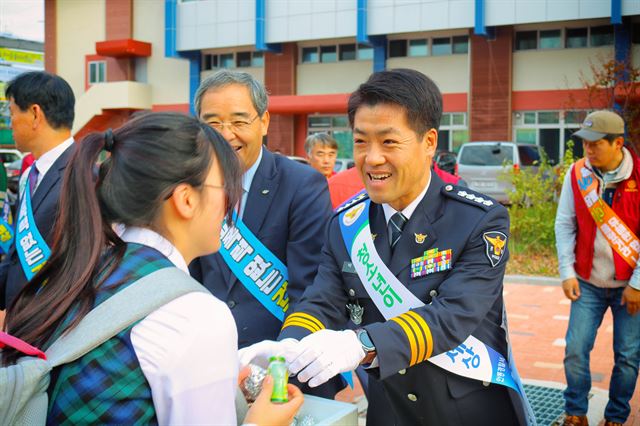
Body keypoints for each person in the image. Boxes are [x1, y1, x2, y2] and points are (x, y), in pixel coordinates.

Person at [241, 69, 533, 426]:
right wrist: (291, 343)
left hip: (465, 411)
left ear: (428, 142)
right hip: (389, 410)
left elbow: (452, 315)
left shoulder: (479, 220)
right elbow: (323, 299)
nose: (372, 158)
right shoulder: (347, 223)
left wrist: (361, 344)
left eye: (389, 142)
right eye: (361, 142)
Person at [2, 112, 303, 424]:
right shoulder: (194, 315)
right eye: (224, 188)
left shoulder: (82, 269)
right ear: (186, 200)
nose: (230, 202)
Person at [189, 70, 332, 349]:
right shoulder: (189, 186)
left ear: (264, 122)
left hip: (280, 358)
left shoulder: (302, 185)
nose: (226, 135)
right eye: (213, 123)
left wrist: (281, 358)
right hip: (205, 356)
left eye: (239, 121)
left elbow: (312, 288)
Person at [555, 110, 640, 426]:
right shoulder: (577, 175)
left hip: (629, 285)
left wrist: (638, 284)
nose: (587, 150)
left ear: (618, 143)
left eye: (595, 144)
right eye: (584, 143)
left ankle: (616, 416)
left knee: (628, 357)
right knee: (575, 349)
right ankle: (576, 413)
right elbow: (564, 223)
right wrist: (566, 271)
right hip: (587, 281)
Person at [0, 71, 76, 309]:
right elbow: (15, 256)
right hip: (17, 320)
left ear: (35, 114)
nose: (10, 123)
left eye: (11, 113)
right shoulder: (29, 176)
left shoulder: (80, 176)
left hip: (49, 326)